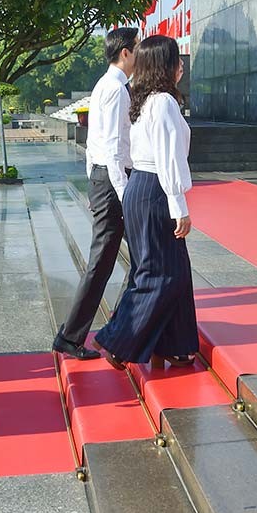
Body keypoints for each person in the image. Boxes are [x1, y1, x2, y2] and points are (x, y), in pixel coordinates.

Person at [93, 35, 198, 369]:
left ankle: (175, 344)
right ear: (163, 66)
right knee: (160, 273)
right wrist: (178, 205)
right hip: (154, 188)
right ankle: (117, 340)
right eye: (175, 60)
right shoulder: (163, 102)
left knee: (173, 269)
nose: (181, 65)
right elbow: (169, 157)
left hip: (142, 185)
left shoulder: (144, 99)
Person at [53, 27, 138, 361]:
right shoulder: (116, 90)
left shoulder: (106, 85)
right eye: (138, 49)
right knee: (110, 260)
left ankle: (104, 329)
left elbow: (94, 144)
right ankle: (81, 335)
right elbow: (115, 148)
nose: (141, 55)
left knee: (114, 260)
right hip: (114, 180)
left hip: (105, 178)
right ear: (126, 53)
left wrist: (96, 181)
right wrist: (124, 193)